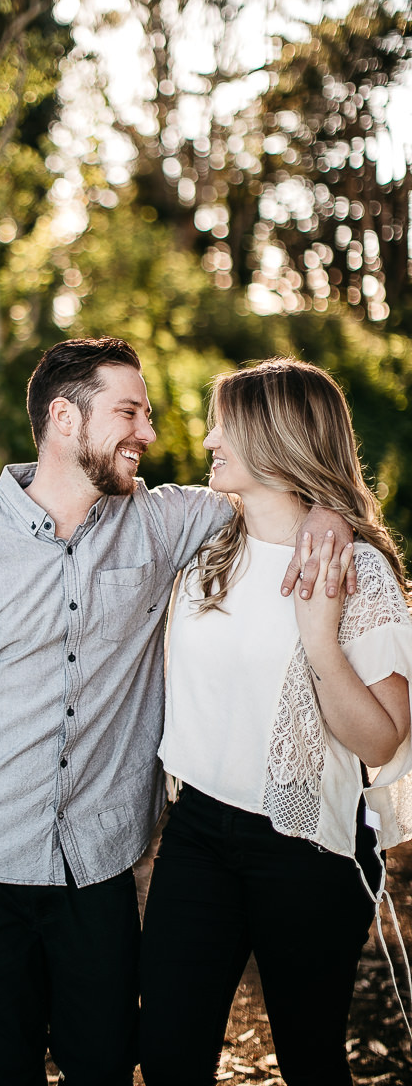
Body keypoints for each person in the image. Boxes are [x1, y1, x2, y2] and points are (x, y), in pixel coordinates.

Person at [0, 337, 351, 1086]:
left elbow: (277, 477)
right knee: (3, 1069)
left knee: (103, 1065)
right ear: (65, 418)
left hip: (99, 870)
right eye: (129, 412)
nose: (149, 432)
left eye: (149, 413)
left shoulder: (166, 521)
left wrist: (330, 513)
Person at [139, 357, 412, 1086]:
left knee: (309, 1057)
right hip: (197, 830)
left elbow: (382, 739)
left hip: (308, 850)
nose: (208, 437)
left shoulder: (357, 571)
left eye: (226, 422)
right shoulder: (204, 545)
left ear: (277, 436)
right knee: (167, 1052)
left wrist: (320, 637)